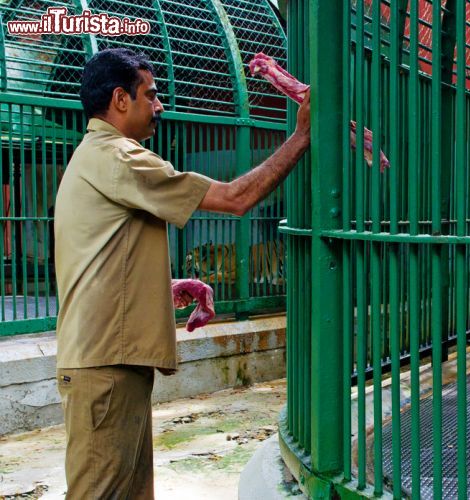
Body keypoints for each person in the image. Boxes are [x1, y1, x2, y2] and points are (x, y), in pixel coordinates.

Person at [53, 48, 310, 498]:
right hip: (105, 367)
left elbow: (96, 257)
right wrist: (301, 136)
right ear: (120, 99)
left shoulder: (95, 158)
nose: (160, 106)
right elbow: (235, 198)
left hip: (111, 364)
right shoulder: (120, 157)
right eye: (151, 96)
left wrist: (163, 285)